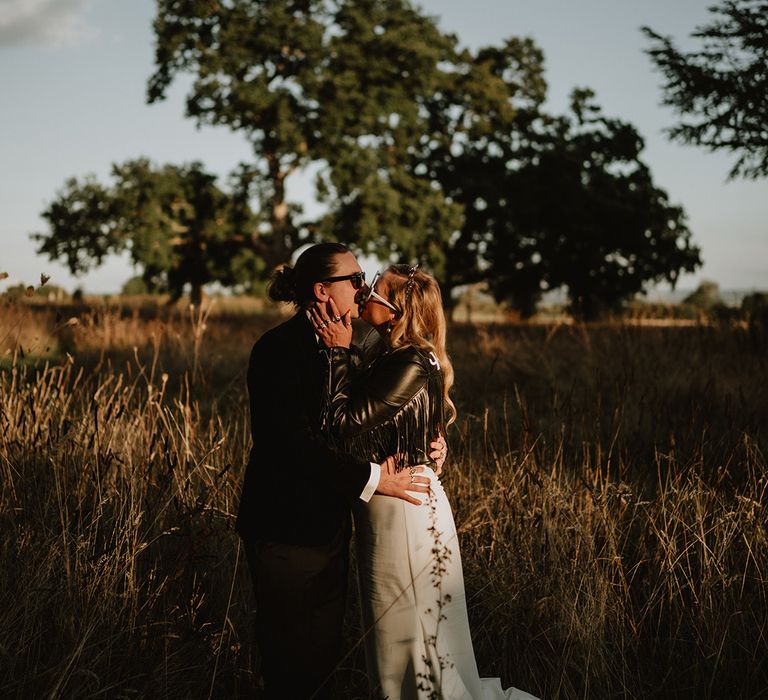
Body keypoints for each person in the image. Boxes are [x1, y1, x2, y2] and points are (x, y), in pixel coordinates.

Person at [310, 264, 539, 700]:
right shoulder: (388, 351)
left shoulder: (412, 359)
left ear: (398, 310)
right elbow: (405, 421)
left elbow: (343, 423)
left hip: (402, 507)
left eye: (376, 289)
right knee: (398, 632)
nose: (365, 294)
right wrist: (434, 444)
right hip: (393, 497)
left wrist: (337, 352)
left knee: (407, 635)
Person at [235, 244, 447, 700]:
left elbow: (389, 402)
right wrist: (374, 480)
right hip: (285, 527)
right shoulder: (279, 350)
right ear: (321, 290)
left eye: (364, 277)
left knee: (323, 653)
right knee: (291, 658)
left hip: (334, 526)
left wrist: (429, 442)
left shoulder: (360, 345)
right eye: (354, 279)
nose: (364, 286)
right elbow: (292, 445)